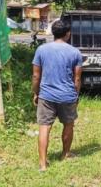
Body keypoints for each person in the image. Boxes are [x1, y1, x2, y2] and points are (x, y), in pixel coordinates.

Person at [32, 20, 83, 171]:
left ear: (53, 33)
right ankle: (65, 154)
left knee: (44, 128)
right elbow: (77, 78)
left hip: (46, 96)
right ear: (68, 34)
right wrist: (76, 95)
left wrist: (36, 93)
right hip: (67, 96)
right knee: (68, 125)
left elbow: (36, 76)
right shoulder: (75, 52)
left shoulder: (41, 50)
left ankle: (42, 164)